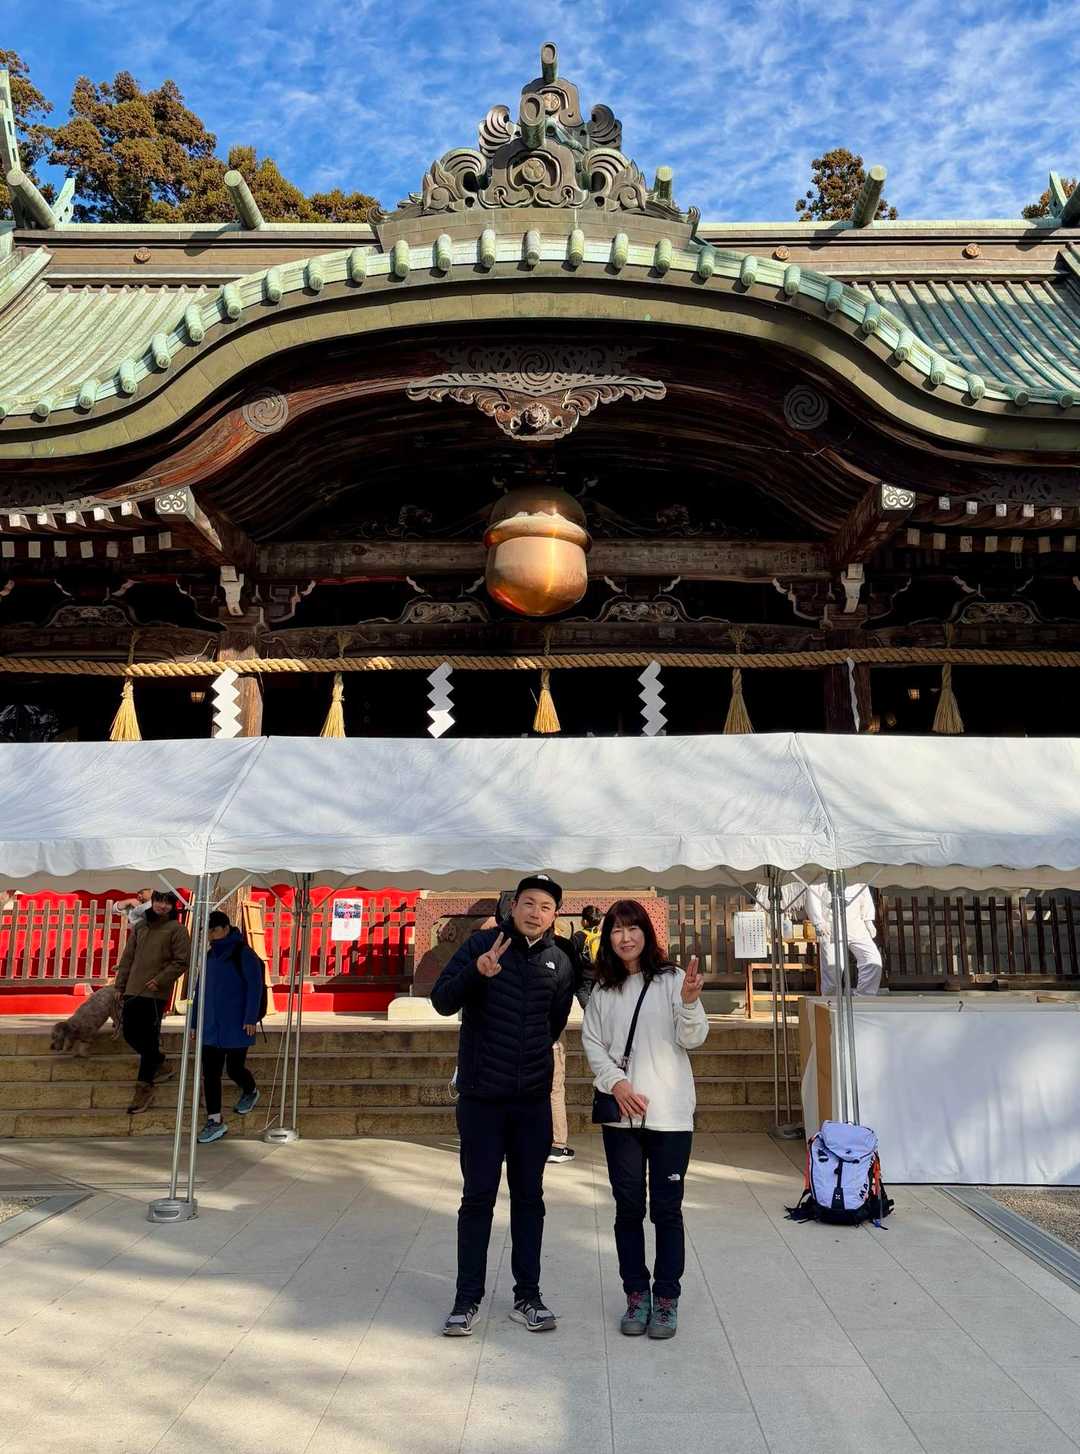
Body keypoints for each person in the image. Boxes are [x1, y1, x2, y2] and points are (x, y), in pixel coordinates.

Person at [432, 873, 575, 1337]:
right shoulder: (482, 946)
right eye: (528, 903)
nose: (536, 912)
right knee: (477, 1198)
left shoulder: (559, 961)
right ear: (513, 907)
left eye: (546, 907)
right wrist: (476, 974)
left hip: (531, 1102)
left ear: (555, 916)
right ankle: (466, 1299)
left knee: (530, 1199)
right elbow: (441, 1001)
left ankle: (527, 1296)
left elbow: (554, 1023)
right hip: (481, 1099)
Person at [582, 898, 708, 1341]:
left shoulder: (672, 980)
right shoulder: (603, 990)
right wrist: (616, 1083)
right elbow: (592, 1042)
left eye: (633, 928)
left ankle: (667, 1297)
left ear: (646, 933)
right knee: (628, 1208)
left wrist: (689, 1003)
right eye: (617, 930)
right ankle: (636, 1293)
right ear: (607, 938)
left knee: (667, 1210)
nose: (625, 937)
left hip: (670, 1115)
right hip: (622, 1119)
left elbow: (693, 1038)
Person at [114, 890, 190, 1114]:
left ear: (173, 906)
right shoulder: (140, 927)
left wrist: (160, 980)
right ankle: (160, 1062)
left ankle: (144, 1088)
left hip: (155, 992)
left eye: (167, 902)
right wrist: (120, 985)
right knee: (129, 1033)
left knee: (148, 1040)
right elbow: (128, 958)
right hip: (133, 989)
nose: (162, 906)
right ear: (153, 902)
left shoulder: (177, 929)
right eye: (159, 901)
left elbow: (181, 961)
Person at [196, 911, 263, 1144]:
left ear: (225, 928)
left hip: (237, 1024)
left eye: (214, 930)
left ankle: (250, 1090)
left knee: (234, 1068)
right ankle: (214, 1120)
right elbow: (200, 988)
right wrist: (195, 1021)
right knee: (210, 1073)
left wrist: (250, 1018)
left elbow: (255, 987)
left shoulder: (243, 953)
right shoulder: (209, 956)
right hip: (211, 1025)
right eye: (207, 931)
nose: (211, 935)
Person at [546, 904, 602, 1166]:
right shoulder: (565, 946)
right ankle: (557, 1144)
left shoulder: (575, 939)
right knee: (554, 1089)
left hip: (527, 1032)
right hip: (552, 1033)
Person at [806, 881, 882, 995]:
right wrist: (818, 922)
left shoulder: (856, 874)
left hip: (856, 925)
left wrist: (868, 919)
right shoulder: (820, 876)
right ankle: (831, 1000)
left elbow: (864, 894)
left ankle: (864, 996)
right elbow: (812, 893)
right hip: (830, 927)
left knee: (872, 960)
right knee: (833, 969)